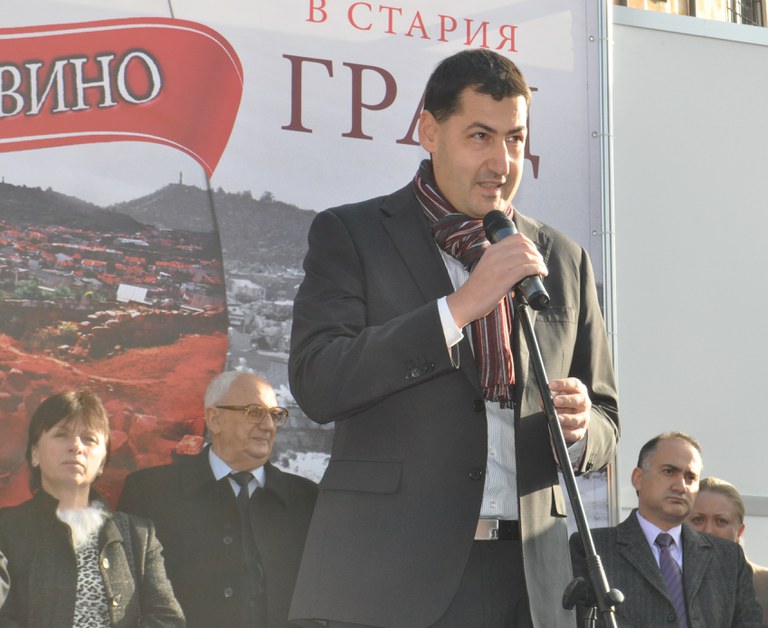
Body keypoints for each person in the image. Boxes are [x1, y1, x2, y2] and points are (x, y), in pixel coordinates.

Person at [288, 48, 619, 628]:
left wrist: (578, 428)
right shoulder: (352, 233)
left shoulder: (562, 258)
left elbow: (606, 419)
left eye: (515, 139)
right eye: (480, 136)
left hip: (533, 583)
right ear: (429, 132)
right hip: (387, 578)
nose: (502, 162)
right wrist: (461, 306)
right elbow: (319, 380)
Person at [118, 371, 318, 628]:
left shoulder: (306, 500)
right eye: (254, 412)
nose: (268, 425)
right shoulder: (149, 492)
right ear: (214, 419)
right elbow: (123, 595)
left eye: (275, 415)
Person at [0, 390, 185, 627]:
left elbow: (168, 619)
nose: (76, 446)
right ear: (35, 453)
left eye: (89, 439)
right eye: (61, 435)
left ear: (102, 462)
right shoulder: (5, 529)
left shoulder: (138, 535)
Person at [570, 432, 762, 627]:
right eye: (669, 472)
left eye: (690, 477)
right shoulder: (592, 547)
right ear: (638, 478)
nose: (681, 486)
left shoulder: (728, 556)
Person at [688, 477, 768, 625]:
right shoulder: (667, 580)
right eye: (698, 519)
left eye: (721, 521)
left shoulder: (764, 584)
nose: (708, 531)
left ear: (739, 531)